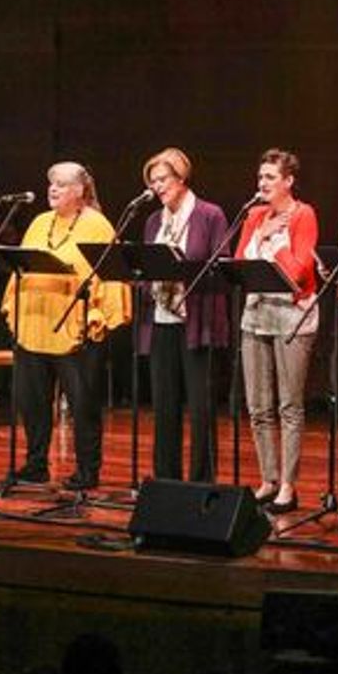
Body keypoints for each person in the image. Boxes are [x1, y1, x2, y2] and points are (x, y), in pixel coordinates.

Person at [1, 162, 131, 490]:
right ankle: (36, 464)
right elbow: (22, 270)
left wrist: (97, 317)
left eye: (60, 184)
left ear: (80, 191)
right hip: (34, 323)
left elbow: (110, 275)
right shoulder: (40, 222)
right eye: (50, 184)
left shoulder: (98, 225)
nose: (52, 190)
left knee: (82, 405)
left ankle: (88, 470)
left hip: (75, 328)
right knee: (32, 401)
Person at [235, 149, 319, 514]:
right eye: (261, 177)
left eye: (270, 177)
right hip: (256, 314)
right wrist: (261, 234)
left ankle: (288, 484)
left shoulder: (303, 215)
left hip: (291, 316)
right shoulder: (254, 216)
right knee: (258, 405)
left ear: (288, 181)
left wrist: (277, 244)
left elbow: (299, 272)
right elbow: (238, 263)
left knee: (289, 405)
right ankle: (268, 479)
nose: (263, 184)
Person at [139, 147, 230, 483]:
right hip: (161, 321)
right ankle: (166, 481)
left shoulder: (209, 215)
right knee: (164, 407)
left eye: (163, 180)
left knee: (201, 408)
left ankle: (201, 483)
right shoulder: (152, 221)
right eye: (153, 182)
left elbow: (221, 267)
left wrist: (183, 271)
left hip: (197, 324)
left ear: (181, 178)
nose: (157, 187)